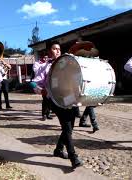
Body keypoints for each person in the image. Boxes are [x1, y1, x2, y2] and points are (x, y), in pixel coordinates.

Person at [32, 41, 83, 169]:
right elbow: (33, 83)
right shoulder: (45, 67)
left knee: (69, 127)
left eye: (59, 49)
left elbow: (75, 74)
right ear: (49, 51)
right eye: (54, 49)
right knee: (66, 127)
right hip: (54, 99)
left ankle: (58, 150)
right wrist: (41, 90)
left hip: (69, 97)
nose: (57, 51)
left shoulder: (66, 62)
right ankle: (73, 157)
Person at [32, 54, 53, 121]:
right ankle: (44, 114)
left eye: (46, 57)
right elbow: (37, 71)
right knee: (45, 99)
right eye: (44, 57)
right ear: (41, 57)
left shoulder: (49, 64)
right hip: (41, 83)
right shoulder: (37, 63)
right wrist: (46, 64)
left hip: (49, 83)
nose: (45, 58)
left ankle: (48, 113)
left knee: (49, 99)